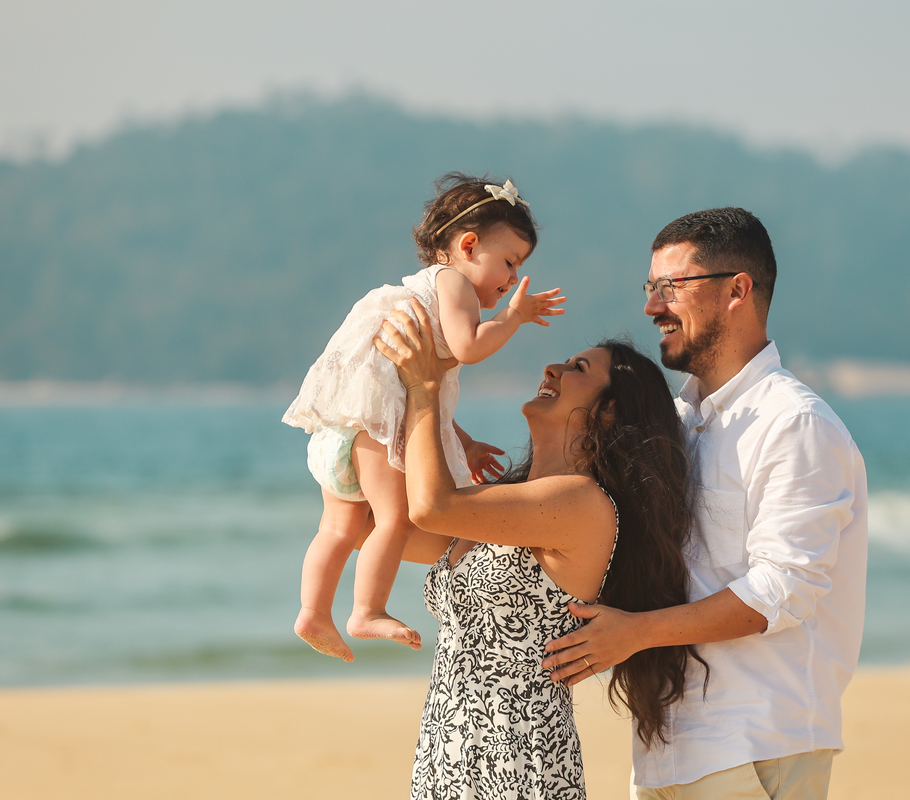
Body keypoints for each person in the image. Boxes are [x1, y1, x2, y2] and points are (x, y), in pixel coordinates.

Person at [543, 208, 868, 800]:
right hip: (669, 749)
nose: (652, 307)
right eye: (650, 287)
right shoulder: (680, 422)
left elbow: (782, 589)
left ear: (737, 290)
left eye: (672, 287)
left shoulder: (793, 423)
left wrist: (635, 633)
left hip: (758, 741)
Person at [374, 298, 704, 800]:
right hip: (448, 755)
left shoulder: (582, 503)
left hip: (520, 761)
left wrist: (426, 387)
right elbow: (389, 526)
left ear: (609, 409)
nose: (552, 368)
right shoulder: (509, 500)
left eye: (578, 369)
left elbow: (431, 508)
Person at [282, 173, 565, 662]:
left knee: (337, 529)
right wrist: (512, 318)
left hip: (343, 428)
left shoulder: (419, 292)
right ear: (468, 245)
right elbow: (468, 348)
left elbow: (411, 394)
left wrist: (466, 442)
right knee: (393, 519)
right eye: (509, 262)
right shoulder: (452, 282)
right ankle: (366, 610)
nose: (512, 280)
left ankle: (313, 610)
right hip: (373, 431)